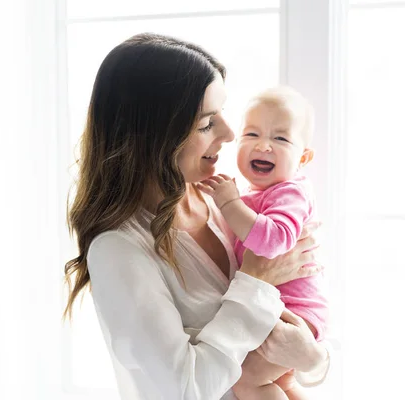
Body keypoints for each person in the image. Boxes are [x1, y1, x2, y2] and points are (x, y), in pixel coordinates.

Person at [63, 33, 330, 400]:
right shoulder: (118, 250)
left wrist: (312, 358)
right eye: (207, 123)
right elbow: (186, 389)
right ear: (155, 135)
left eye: (222, 112)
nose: (230, 132)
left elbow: (303, 319)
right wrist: (256, 277)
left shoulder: (226, 201)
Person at [197, 86, 328, 400]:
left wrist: (230, 205)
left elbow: (274, 242)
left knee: (246, 382)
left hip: (293, 315)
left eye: (281, 138)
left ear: (303, 157)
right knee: (282, 385)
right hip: (275, 311)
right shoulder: (257, 195)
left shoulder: (290, 192)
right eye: (252, 134)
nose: (264, 145)